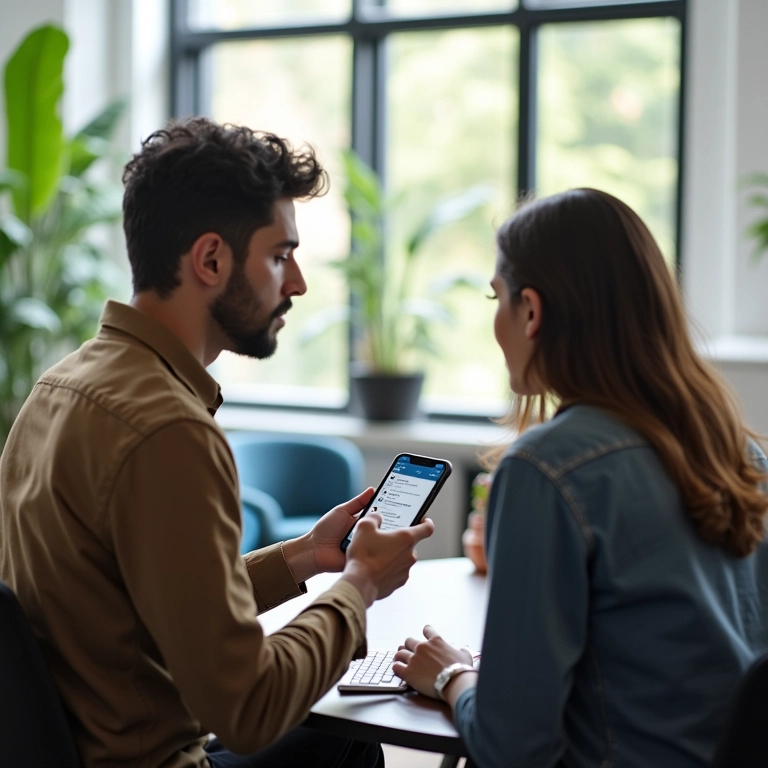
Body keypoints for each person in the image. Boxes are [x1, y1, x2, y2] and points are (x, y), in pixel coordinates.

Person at [0, 117, 434, 768]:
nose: (297, 284)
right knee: (350, 738)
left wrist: (305, 557)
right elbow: (249, 707)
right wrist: (360, 585)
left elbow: (152, 602)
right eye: (280, 256)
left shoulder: (59, 386)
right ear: (210, 260)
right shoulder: (169, 429)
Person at [392, 188, 768, 768]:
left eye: (496, 297)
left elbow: (514, 748)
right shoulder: (741, 453)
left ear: (531, 311)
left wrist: (451, 675)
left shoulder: (546, 469)